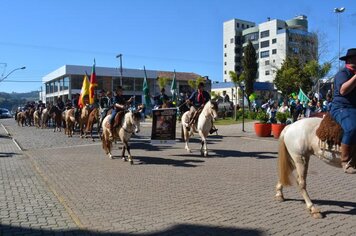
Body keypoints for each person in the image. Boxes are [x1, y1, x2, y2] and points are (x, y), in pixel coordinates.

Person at [330, 48, 356, 174]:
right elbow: (343, 91)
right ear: (351, 59)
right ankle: (345, 161)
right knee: (352, 128)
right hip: (341, 107)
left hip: (354, 108)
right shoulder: (342, 74)